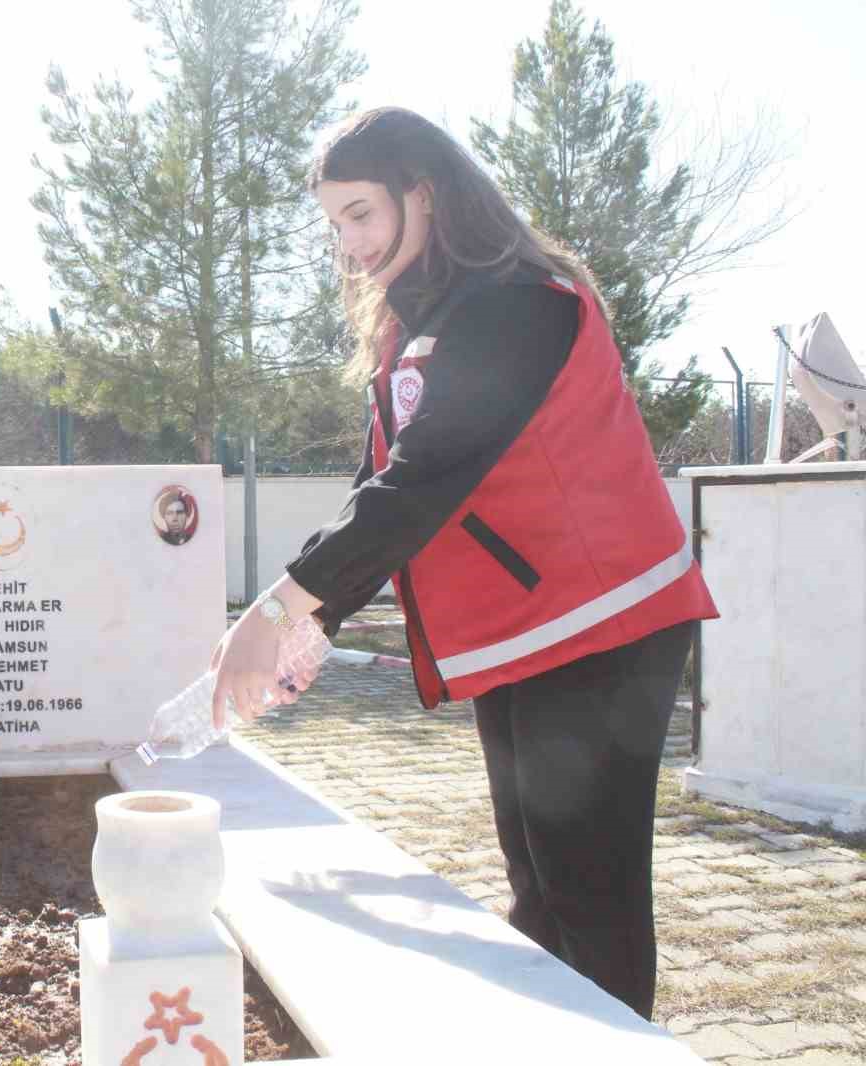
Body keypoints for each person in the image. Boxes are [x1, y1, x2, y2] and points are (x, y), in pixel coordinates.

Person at [209, 108, 718, 1020]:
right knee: (535, 883)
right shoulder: (422, 322)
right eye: (334, 223)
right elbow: (381, 485)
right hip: (533, 625)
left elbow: (427, 476)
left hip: (606, 621)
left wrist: (275, 611)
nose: (349, 244)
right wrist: (313, 619)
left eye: (361, 214)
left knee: (588, 895)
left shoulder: (520, 301)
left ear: (425, 196)